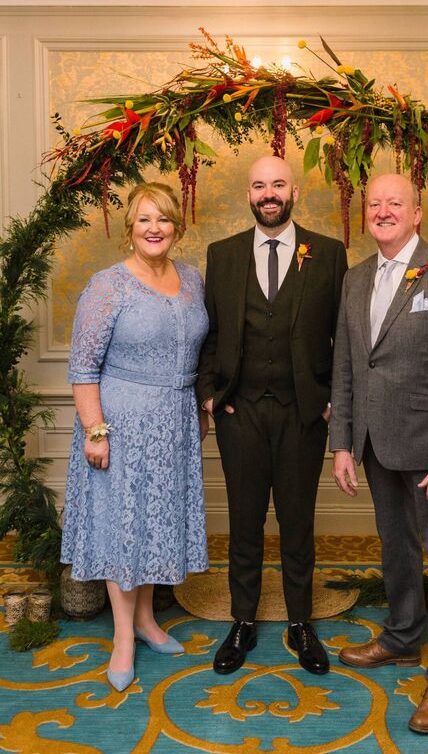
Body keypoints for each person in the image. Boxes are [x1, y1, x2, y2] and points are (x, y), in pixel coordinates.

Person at [330, 173, 428, 733]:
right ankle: (401, 637)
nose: (383, 210)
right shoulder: (355, 279)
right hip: (375, 444)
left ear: (416, 213)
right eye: (374, 203)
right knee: (396, 549)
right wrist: (342, 443)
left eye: (394, 202)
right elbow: (348, 367)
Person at [197, 155, 347, 676]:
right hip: (239, 412)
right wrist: (209, 394)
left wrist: (332, 399)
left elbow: (343, 335)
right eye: (259, 185)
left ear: (294, 192)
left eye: (278, 184)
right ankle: (242, 621)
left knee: (297, 521)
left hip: (303, 412)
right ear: (248, 194)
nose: (269, 193)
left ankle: (301, 622)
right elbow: (211, 333)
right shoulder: (222, 254)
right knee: (244, 521)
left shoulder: (328, 253)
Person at [61, 182, 209, 692]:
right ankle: (123, 637)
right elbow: (83, 367)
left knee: (152, 523)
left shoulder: (192, 279)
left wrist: (202, 406)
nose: (154, 228)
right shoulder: (107, 286)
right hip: (121, 425)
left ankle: (146, 620)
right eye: (144, 219)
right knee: (124, 527)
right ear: (130, 228)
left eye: (163, 218)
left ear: (176, 227)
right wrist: (94, 431)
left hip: (175, 423)